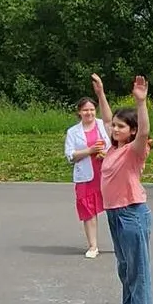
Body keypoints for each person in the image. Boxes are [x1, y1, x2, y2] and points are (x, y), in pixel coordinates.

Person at [93, 73, 153, 304]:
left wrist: (141, 102)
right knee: (125, 269)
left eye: (121, 127)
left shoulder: (134, 150)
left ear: (130, 131)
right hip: (115, 214)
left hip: (132, 213)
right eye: (114, 127)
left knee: (137, 271)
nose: (115, 129)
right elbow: (107, 119)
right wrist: (101, 94)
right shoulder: (113, 149)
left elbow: (143, 131)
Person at [64, 96, 111, 259]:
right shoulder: (72, 132)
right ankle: (93, 245)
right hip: (85, 176)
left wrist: (104, 154)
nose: (88, 113)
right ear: (79, 112)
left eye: (91, 109)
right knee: (88, 211)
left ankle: (120, 243)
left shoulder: (103, 125)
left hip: (105, 173)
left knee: (114, 209)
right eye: (85, 110)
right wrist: (89, 151)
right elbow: (70, 156)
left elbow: (115, 146)